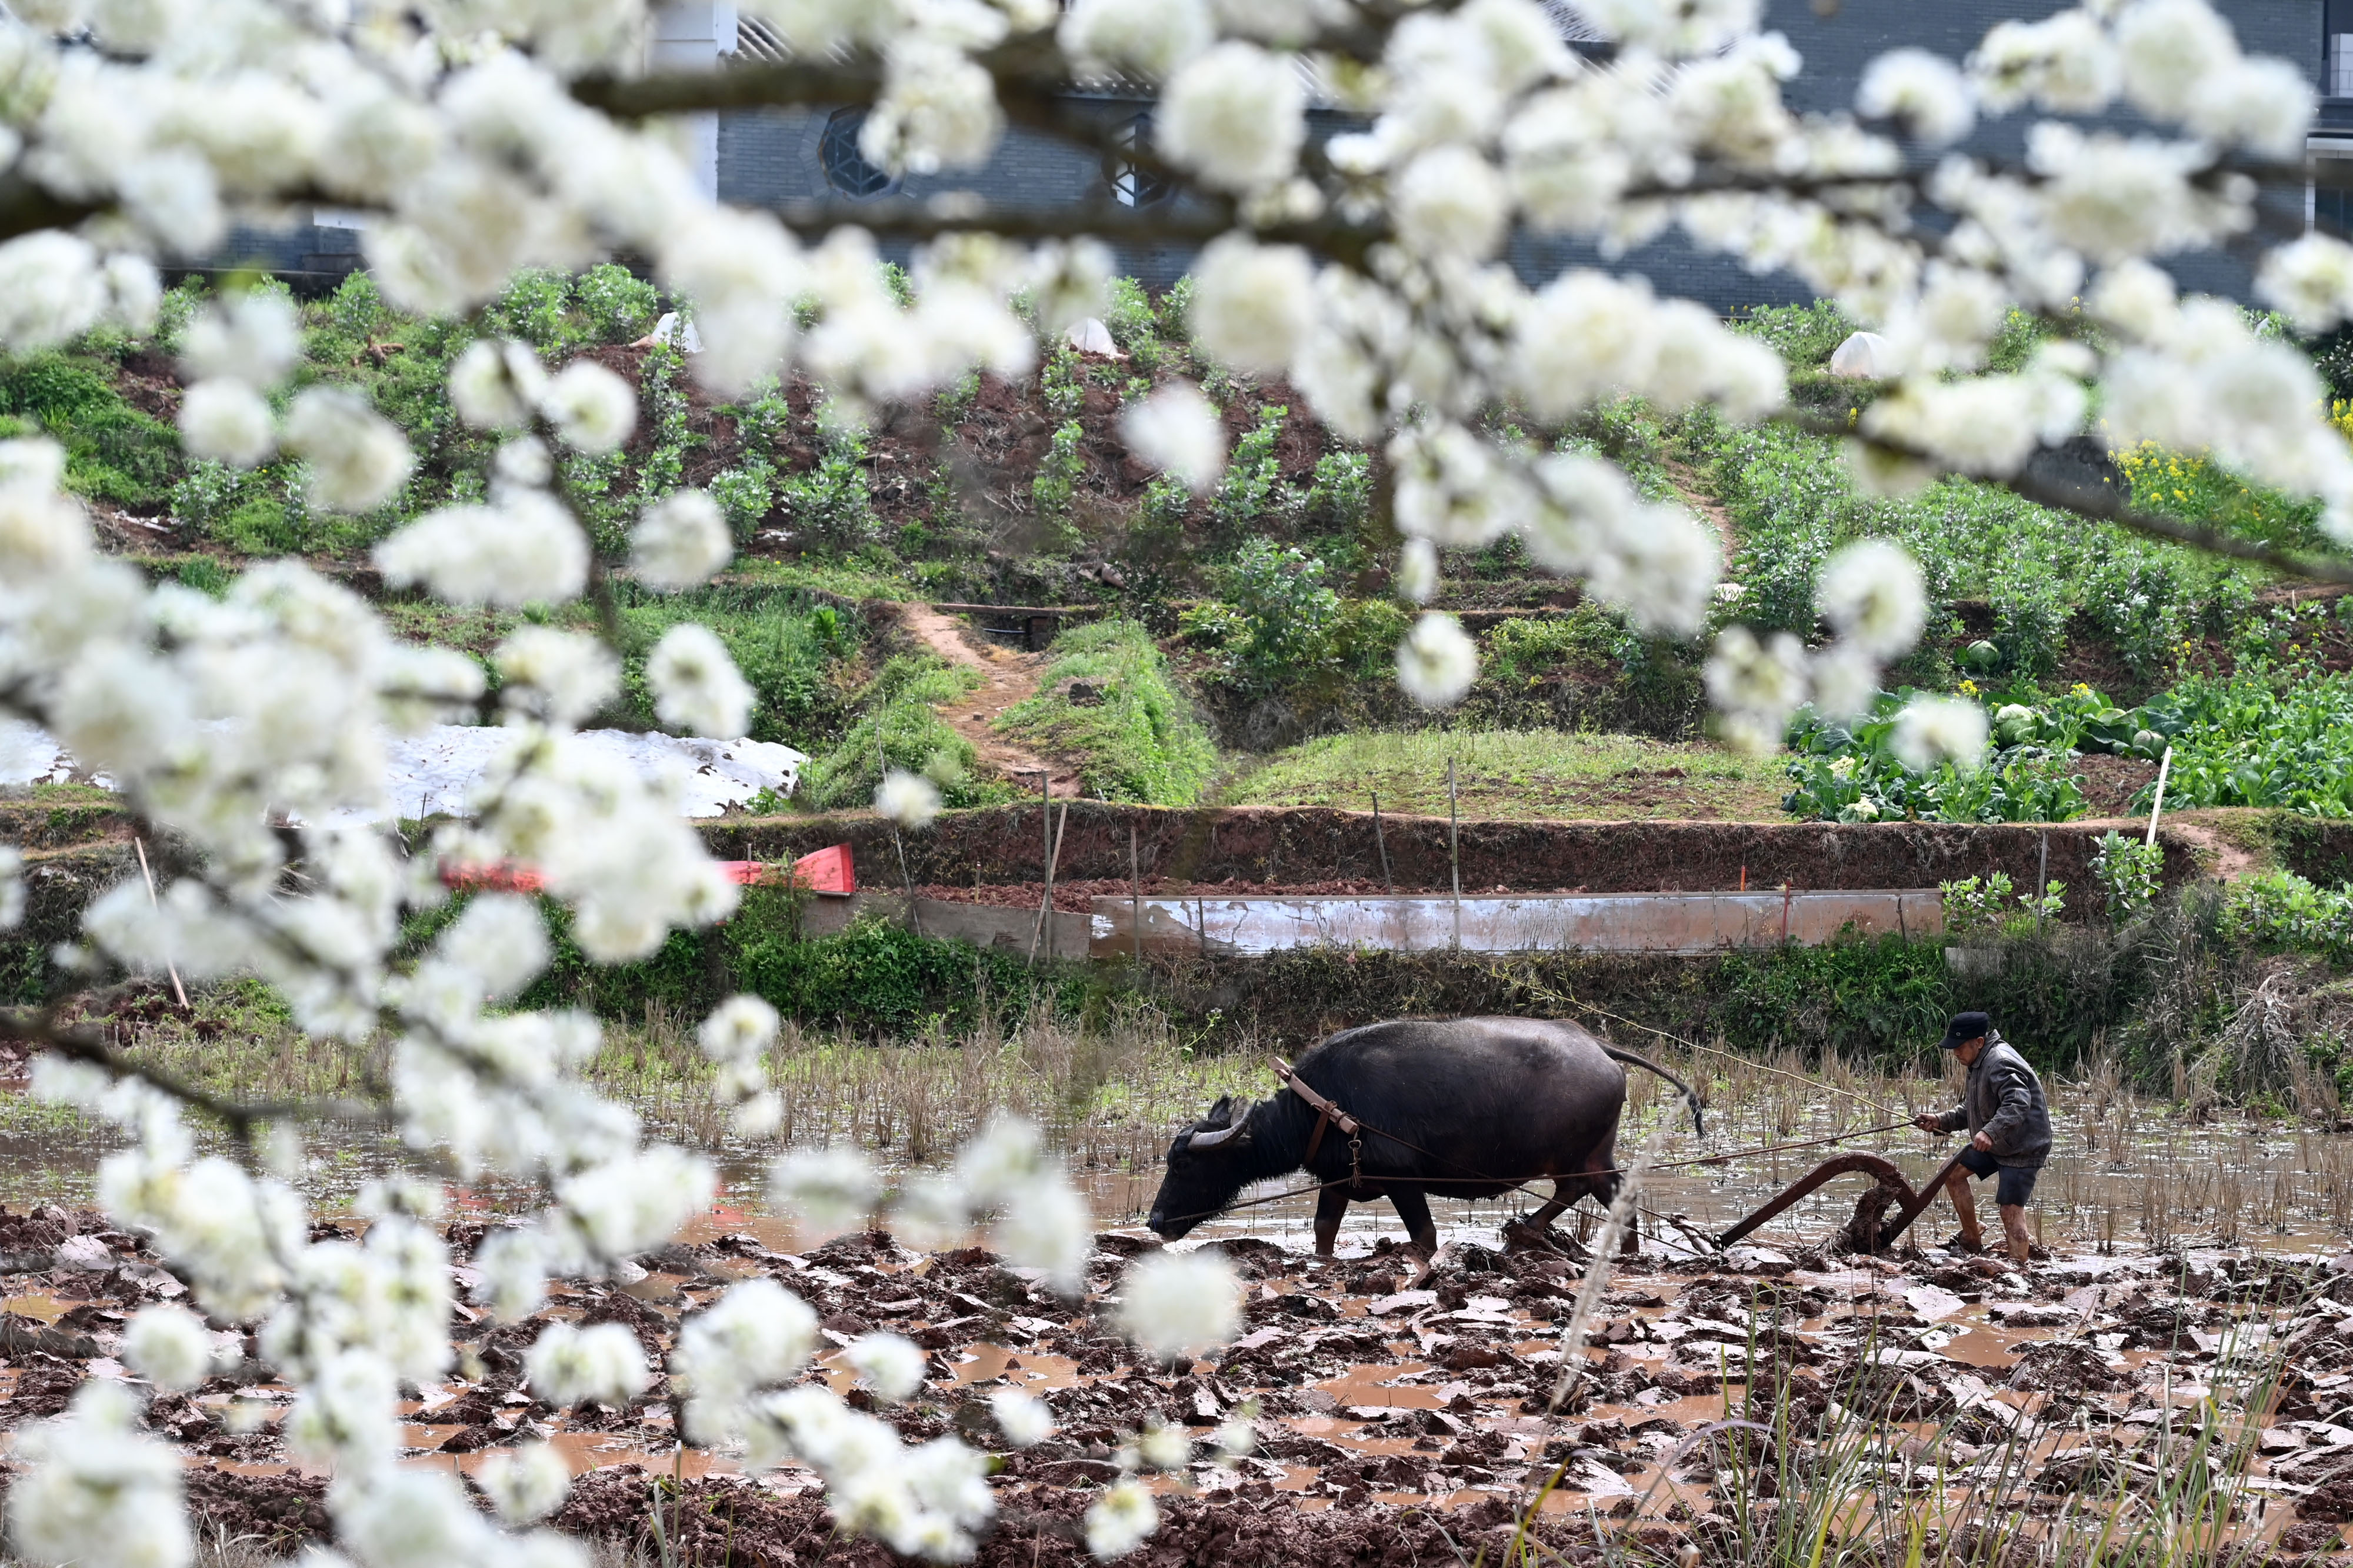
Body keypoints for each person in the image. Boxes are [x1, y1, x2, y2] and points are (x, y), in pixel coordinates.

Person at [1912, 1010, 2051, 1264]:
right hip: (1999, 1141)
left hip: (2023, 1146)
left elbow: (2018, 1102)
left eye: (1959, 1047)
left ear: (1979, 1042)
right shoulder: (1978, 1061)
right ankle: (1972, 1240)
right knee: (1951, 1173)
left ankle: (2019, 1270)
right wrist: (1941, 1120)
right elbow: (1975, 1108)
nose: (1955, 1053)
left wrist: (1989, 1131)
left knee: (2010, 1210)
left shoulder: (1999, 1061)